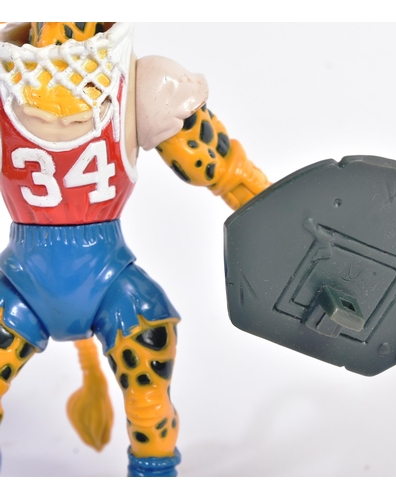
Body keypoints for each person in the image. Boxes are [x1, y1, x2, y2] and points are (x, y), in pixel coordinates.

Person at [0, 22, 270, 477]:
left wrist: (279, 218)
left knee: (148, 402)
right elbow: (227, 173)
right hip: (25, 282)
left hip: (105, 280)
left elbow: (221, 169)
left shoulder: (144, 85)